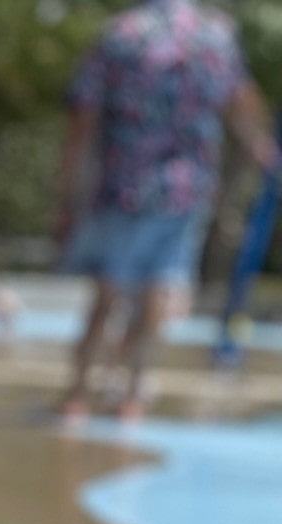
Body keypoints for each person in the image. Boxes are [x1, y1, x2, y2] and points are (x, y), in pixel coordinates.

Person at [57, 0, 277, 421]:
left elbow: (82, 117)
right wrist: (263, 154)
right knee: (159, 288)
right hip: (185, 188)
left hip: (121, 184)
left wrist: (67, 198)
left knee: (108, 292)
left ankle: (79, 394)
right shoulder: (213, 37)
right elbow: (244, 107)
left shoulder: (122, 33)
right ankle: (133, 394)